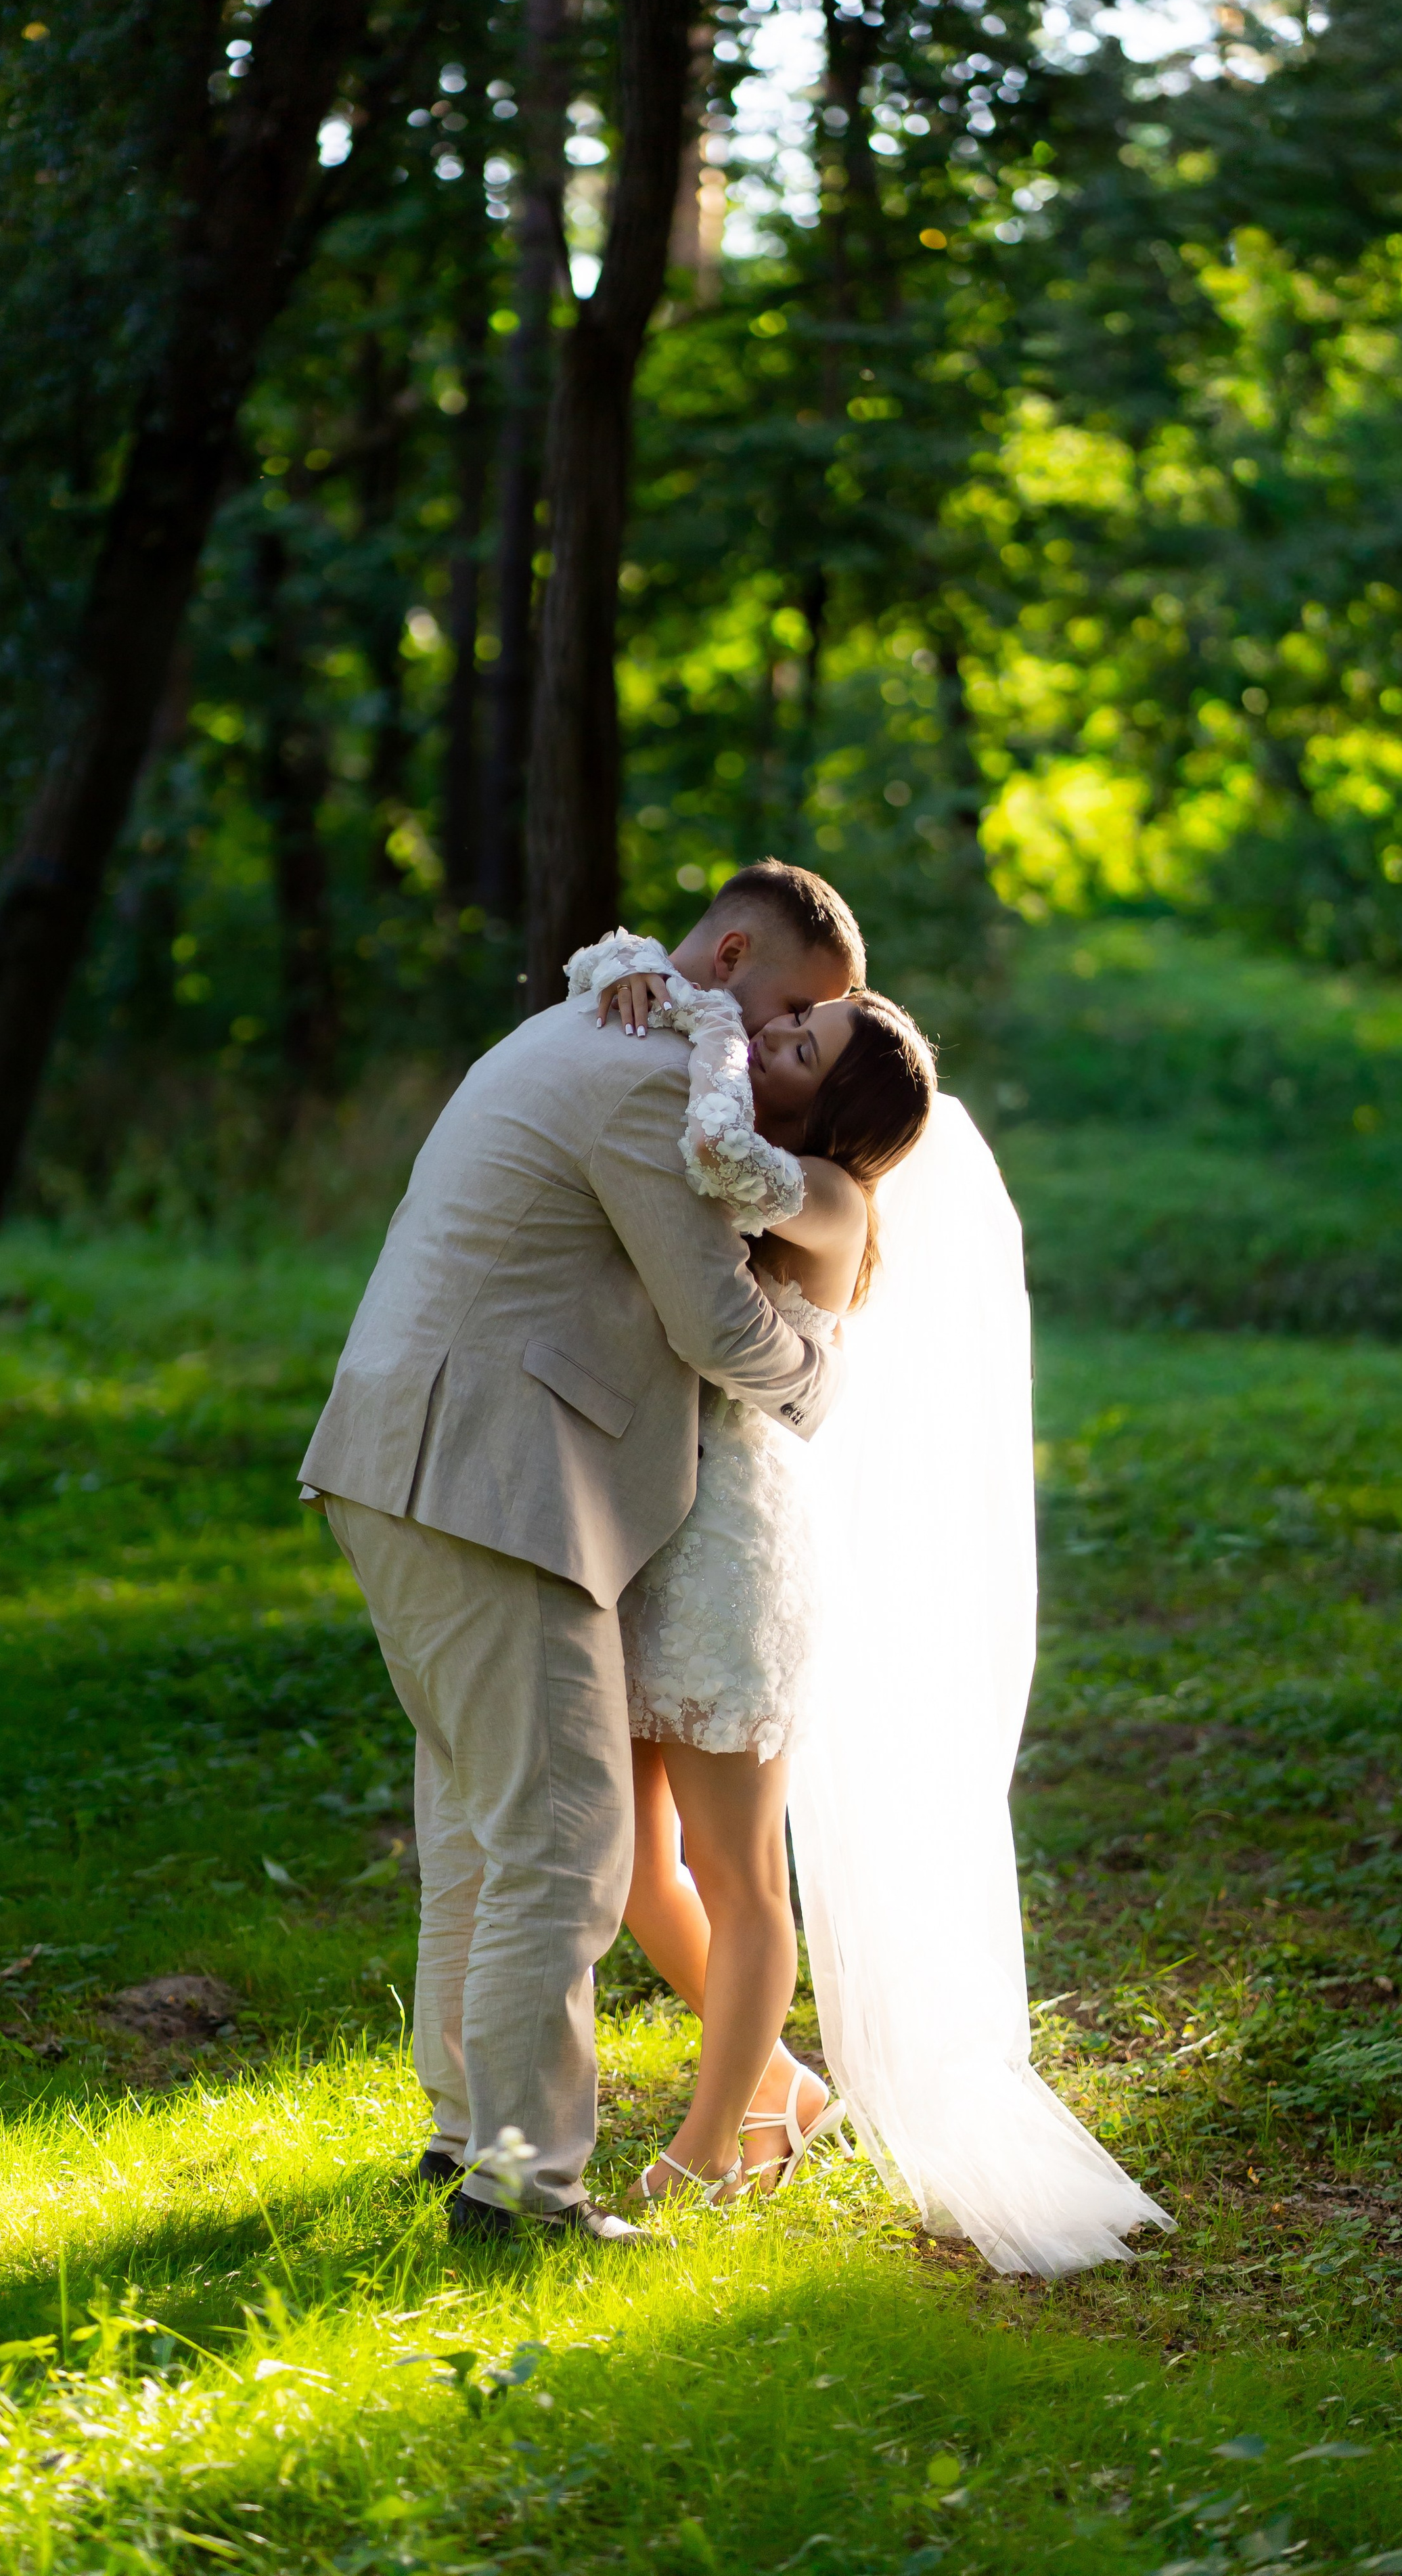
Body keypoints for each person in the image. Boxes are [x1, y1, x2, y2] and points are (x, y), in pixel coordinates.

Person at [574, 930, 1175, 2275]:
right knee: (622, 1863)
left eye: (800, 1043)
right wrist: (626, 966)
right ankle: (782, 2091)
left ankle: (713, 2135)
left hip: (737, 1557)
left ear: (839, 1104)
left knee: (735, 1873)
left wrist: (697, 1015)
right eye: (782, 1031)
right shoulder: (768, 1166)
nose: (769, 1036)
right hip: (656, 1539)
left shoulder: (828, 1202)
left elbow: (717, 1157)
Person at [296, 863, 863, 2246]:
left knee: (483, 1833)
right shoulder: (644, 1078)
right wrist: (829, 1372)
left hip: (416, 1453)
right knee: (562, 1842)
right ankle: (527, 2193)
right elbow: (720, 1331)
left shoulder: (594, 1026)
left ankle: (465, 2144)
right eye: (790, 1008)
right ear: (726, 957)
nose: (784, 1045)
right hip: (488, 1472)